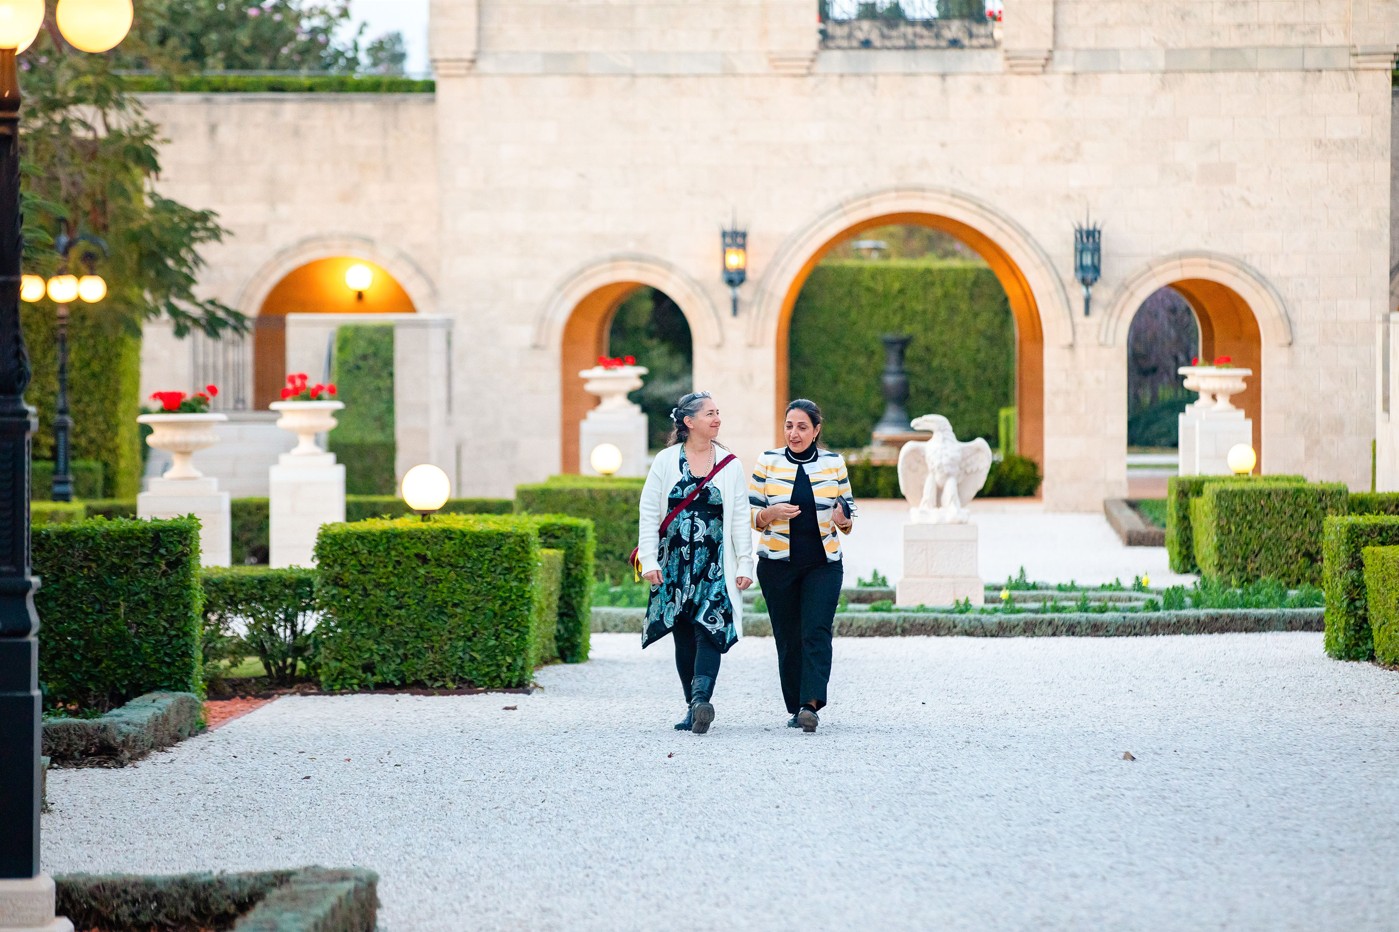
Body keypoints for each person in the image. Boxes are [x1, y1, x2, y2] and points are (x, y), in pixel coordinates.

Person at [637, 391, 754, 735]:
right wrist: (647, 559)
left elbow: (739, 519)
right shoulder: (665, 460)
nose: (717, 419)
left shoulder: (730, 464)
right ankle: (693, 706)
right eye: (709, 414)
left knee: (710, 628)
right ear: (688, 422)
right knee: (684, 633)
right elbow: (648, 513)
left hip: (714, 565)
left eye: (718, 412)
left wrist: (745, 564)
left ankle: (702, 699)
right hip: (674, 564)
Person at [749, 399, 855, 733]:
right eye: (789, 426)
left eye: (802, 427)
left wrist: (843, 519)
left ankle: (811, 704)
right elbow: (752, 515)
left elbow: (848, 513)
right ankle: (796, 705)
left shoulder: (834, 463)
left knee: (816, 631)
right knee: (789, 637)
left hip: (823, 564)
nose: (794, 433)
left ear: (816, 430)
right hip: (776, 565)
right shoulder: (767, 462)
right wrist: (771, 513)